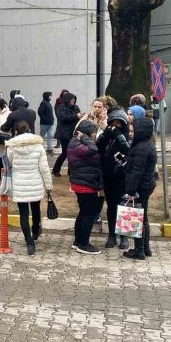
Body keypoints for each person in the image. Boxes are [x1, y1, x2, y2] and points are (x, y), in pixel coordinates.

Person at [5, 121, 52, 255]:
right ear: (29, 129)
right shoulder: (38, 146)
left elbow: (9, 162)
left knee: (23, 213)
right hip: (35, 181)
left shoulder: (12, 146)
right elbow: (44, 168)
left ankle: (29, 242)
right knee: (36, 209)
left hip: (19, 182)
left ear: (16, 131)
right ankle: (36, 230)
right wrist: (48, 185)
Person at [122, 117, 157, 260]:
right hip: (147, 185)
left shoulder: (141, 148)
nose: (131, 132)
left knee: (138, 219)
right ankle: (145, 248)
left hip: (140, 187)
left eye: (133, 129)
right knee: (144, 217)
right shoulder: (147, 144)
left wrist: (130, 191)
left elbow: (137, 171)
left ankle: (139, 250)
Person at [95, 108, 130, 250]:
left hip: (123, 177)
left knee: (124, 206)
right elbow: (97, 147)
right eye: (113, 123)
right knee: (111, 207)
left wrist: (117, 134)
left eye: (118, 123)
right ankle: (112, 235)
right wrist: (105, 135)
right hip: (108, 176)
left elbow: (127, 149)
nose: (115, 126)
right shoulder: (107, 137)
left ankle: (124, 237)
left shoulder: (126, 137)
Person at [67, 120, 102, 254]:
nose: (95, 135)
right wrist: (85, 137)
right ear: (86, 133)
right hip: (85, 183)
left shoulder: (77, 142)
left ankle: (78, 241)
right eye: (93, 132)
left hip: (83, 181)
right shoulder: (78, 143)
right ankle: (84, 244)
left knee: (83, 212)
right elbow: (93, 149)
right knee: (89, 214)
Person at [53, 92, 82, 177]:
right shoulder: (61, 108)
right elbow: (63, 118)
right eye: (71, 99)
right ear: (67, 99)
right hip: (64, 134)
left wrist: (81, 116)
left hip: (74, 133)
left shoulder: (76, 107)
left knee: (73, 153)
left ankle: (71, 171)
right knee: (65, 153)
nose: (73, 100)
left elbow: (78, 117)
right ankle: (56, 170)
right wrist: (76, 116)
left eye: (74, 99)